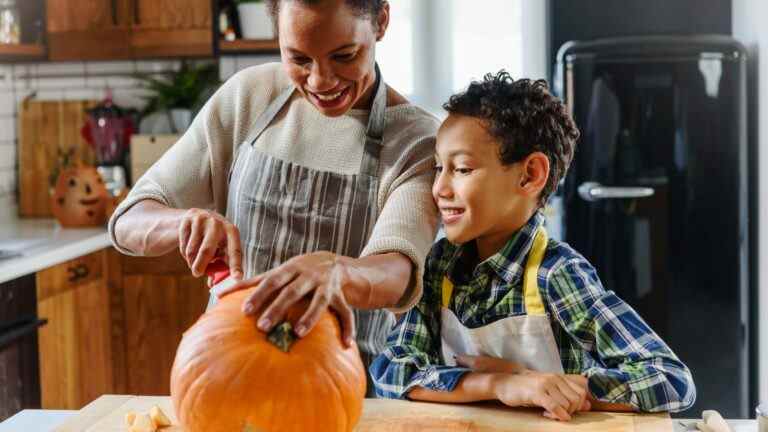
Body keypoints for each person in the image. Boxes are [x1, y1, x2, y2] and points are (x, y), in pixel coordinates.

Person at [109, 0, 439, 394]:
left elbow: (399, 272)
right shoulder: (250, 97)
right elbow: (128, 220)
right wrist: (181, 223)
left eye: (344, 56)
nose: (320, 80)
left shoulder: (417, 141)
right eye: (298, 58)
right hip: (225, 373)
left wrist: (340, 271)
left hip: (345, 386)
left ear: (381, 21)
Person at [370, 71, 696, 419]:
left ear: (530, 175)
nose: (440, 188)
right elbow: (392, 372)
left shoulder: (557, 273)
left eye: (462, 169)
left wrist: (551, 385)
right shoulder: (439, 266)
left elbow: (670, 378)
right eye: (438, 168)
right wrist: (502, 384)